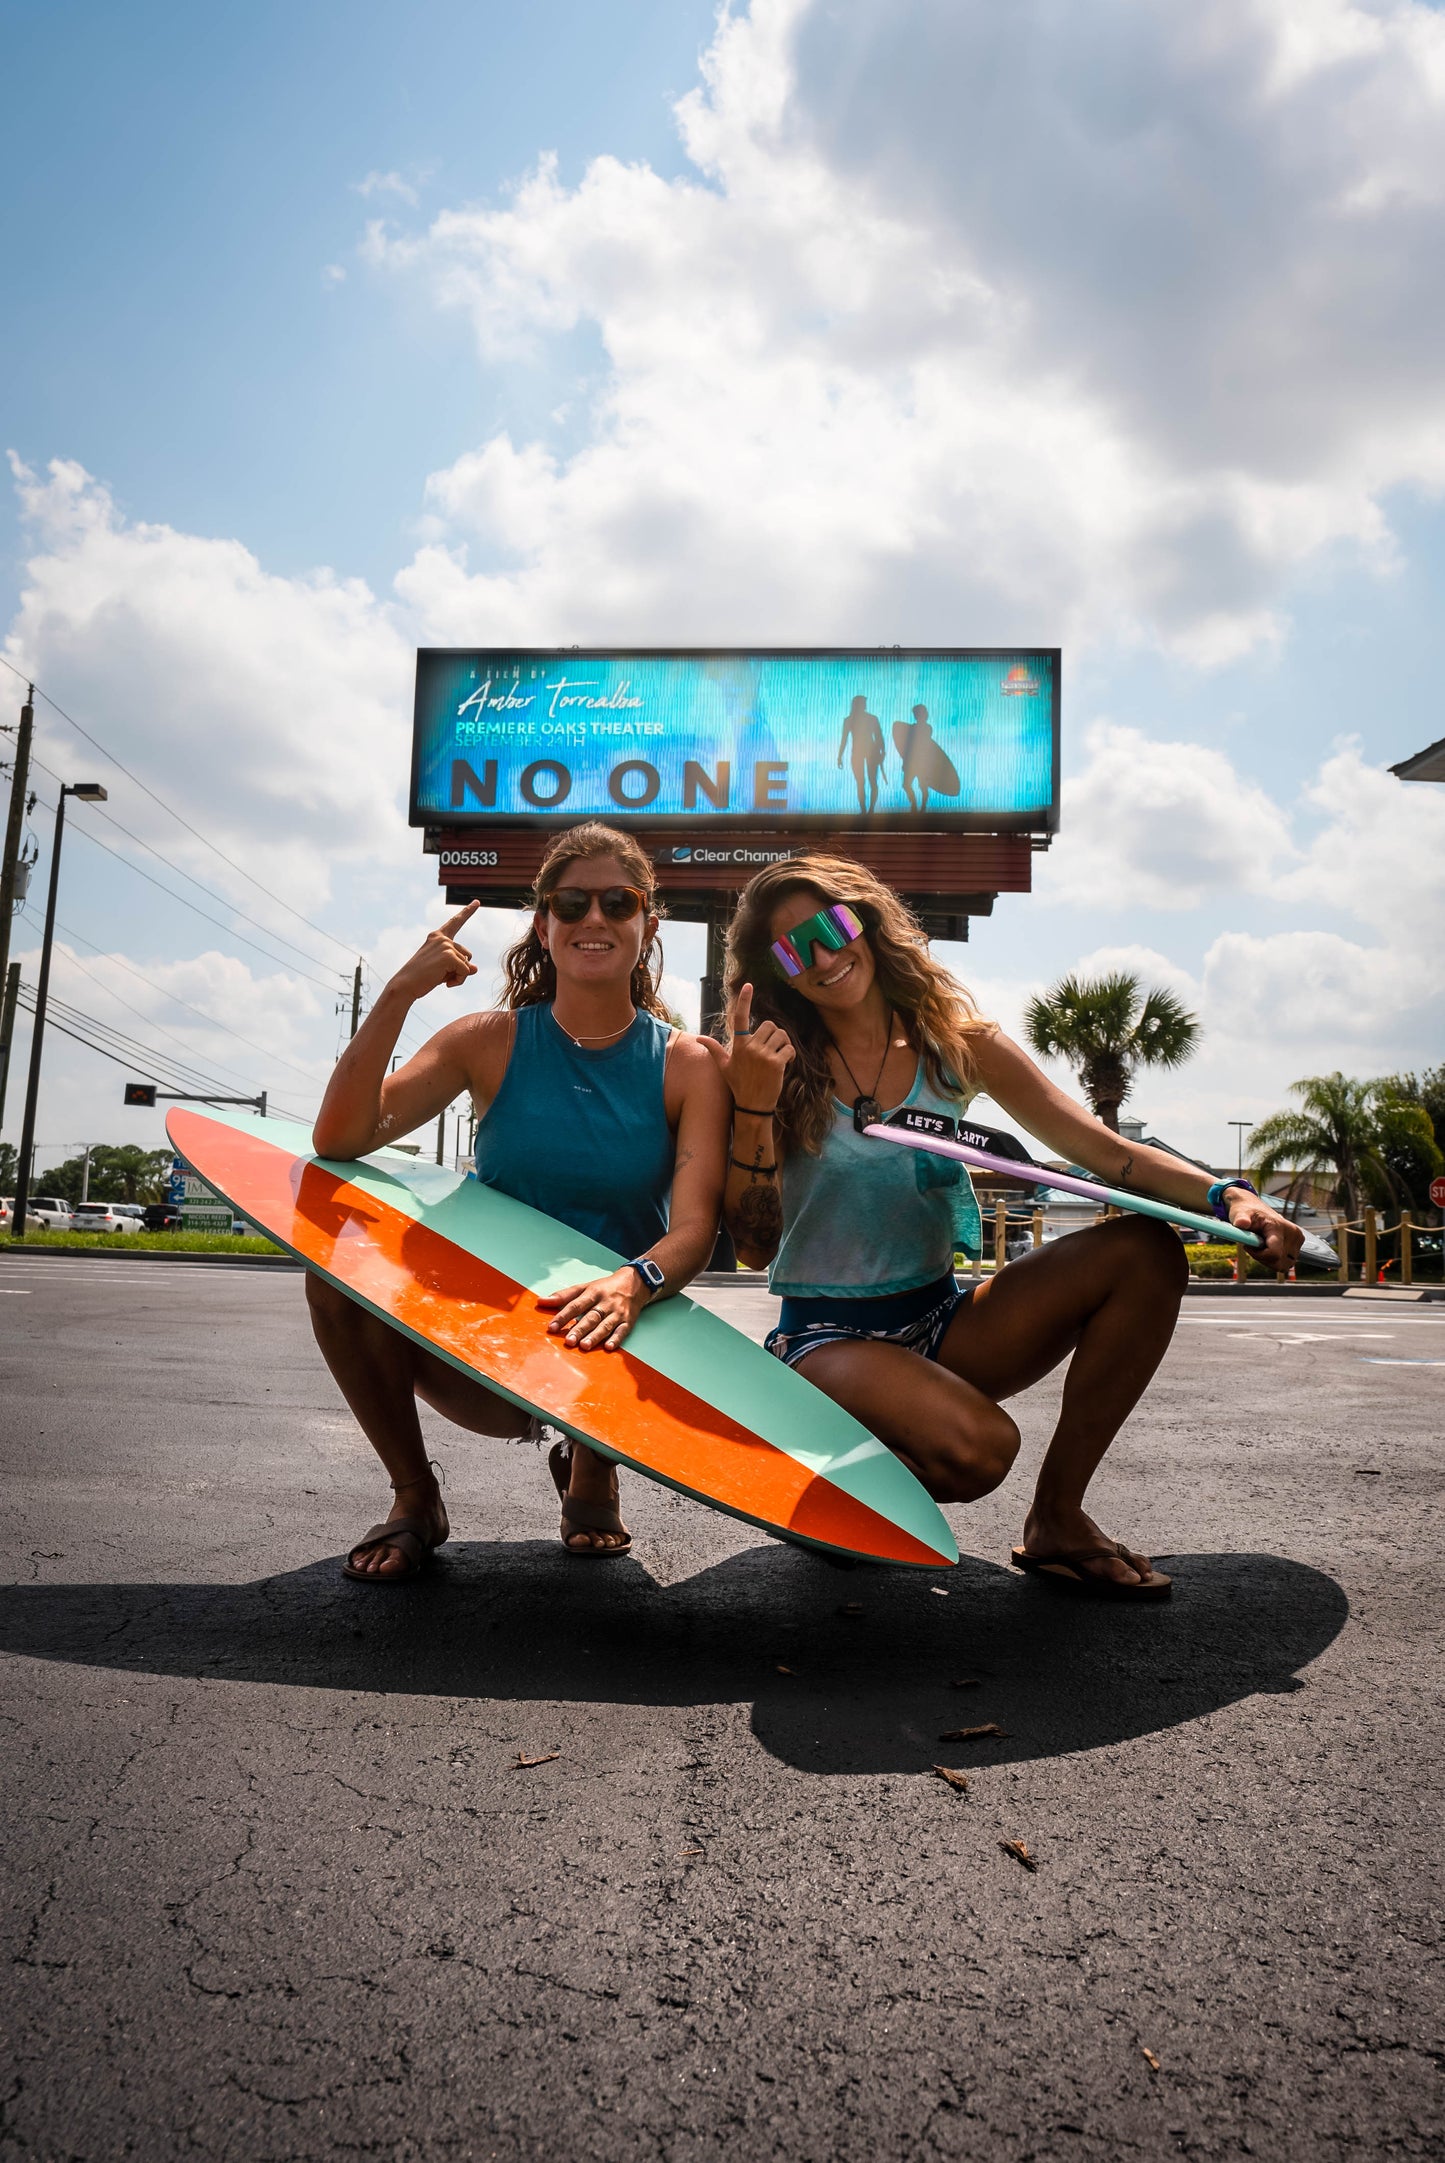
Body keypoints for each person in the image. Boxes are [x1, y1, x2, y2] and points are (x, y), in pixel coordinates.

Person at [705, 857, 1303, 1599]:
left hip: (939, 1318)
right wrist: (755, 1103)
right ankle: (809, 1487)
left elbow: (1105, 1152)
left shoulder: (956, 1044)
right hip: (823, 1341)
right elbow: (755, 1244)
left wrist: (1229, 1196)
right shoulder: (768, 1064)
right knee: (981, 1451)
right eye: (796, 949)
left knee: (1145, 1254)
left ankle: (1057, 1517)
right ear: (779, 973)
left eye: (831, 927)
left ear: (863, 921)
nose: (825, 958)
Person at [309, 821, 730, 1578]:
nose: (592, 919)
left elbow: (695, 1228)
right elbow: (340, 1137)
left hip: (609, 1339)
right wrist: (402, 991)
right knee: (335, 1277)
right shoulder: (486, 1039)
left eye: (617, 901)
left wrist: (634, 1283)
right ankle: (414, 1497)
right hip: (488, 1338)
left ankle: (593, 1467)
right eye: (569, 904)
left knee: (623, 1311)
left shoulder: (687, 1062)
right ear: (543, 924)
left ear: (648, 923)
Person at [837, 695, 886, 814]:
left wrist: (882, 752)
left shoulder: (867, 719)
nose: (865, 704)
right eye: (863, 702)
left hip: (869, 752)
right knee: (863, 782)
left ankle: (869, 810)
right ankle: (866, 810)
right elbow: (844, 740)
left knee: (869, 782)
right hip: (862, 752)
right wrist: (839, 756)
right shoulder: (852, 720)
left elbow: (879, 737)